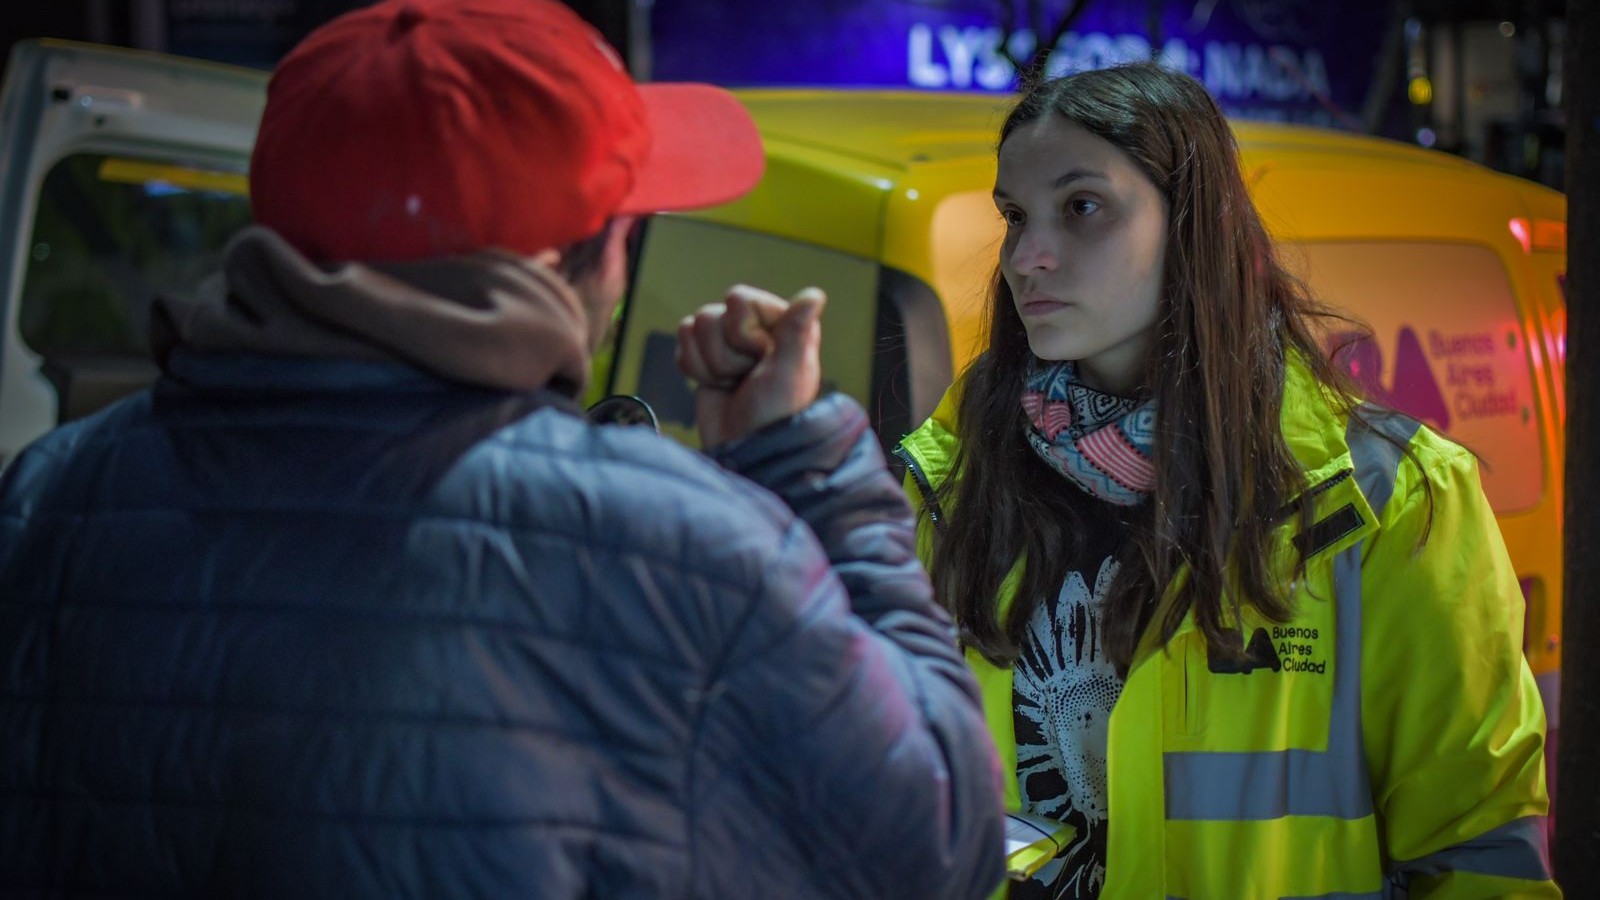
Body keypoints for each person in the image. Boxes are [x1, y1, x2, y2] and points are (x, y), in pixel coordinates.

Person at [0, 1, 1006, 896]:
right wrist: (805, 467)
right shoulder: (680, 540)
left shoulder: (53, 490)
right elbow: (939, 844)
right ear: (553, 263)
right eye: (623, 221)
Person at [894, 63, 1556, 899]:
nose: (1027, 257)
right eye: (1015, 216)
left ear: (1190, 222)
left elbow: (1477, 848)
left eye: (1082, 207)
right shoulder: (954, 482)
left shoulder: (1385, 499)